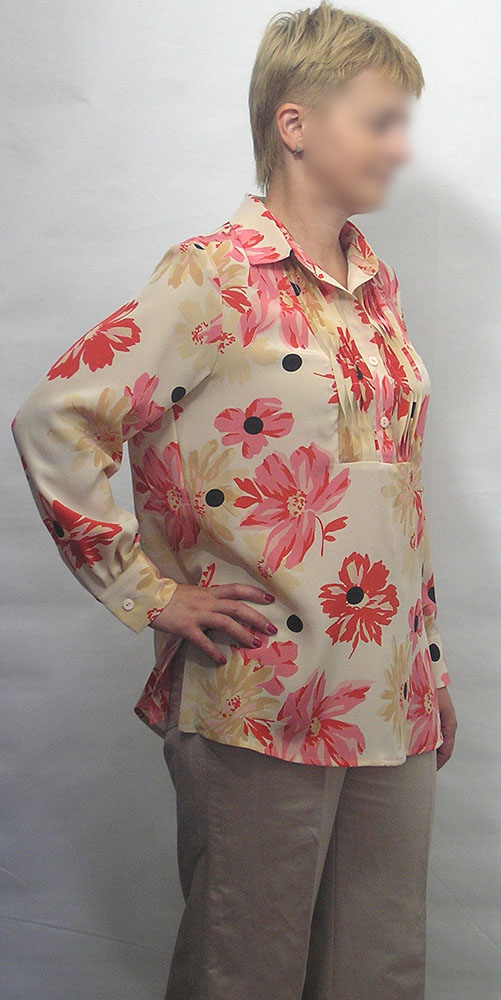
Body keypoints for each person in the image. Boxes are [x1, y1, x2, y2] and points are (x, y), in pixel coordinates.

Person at [11, 3, 458, 998]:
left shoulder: (374, 291)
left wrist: (427, 665)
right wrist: (147, 591)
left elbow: (397, 495)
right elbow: (58, 417)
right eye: (380, 120)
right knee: (245, 968)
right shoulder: (214, 276)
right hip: (261, 691)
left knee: (379, 968)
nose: (400, 147)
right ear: (295, 124)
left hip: (391, 697)